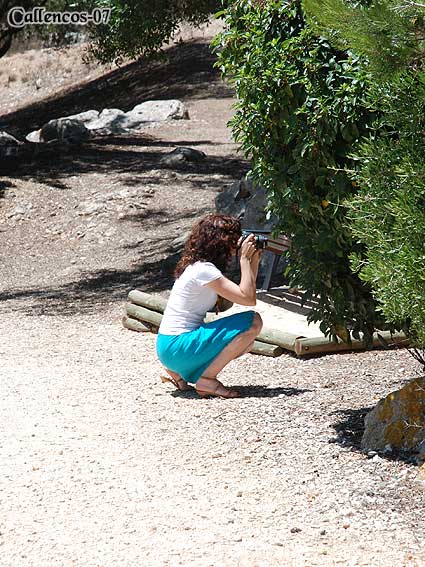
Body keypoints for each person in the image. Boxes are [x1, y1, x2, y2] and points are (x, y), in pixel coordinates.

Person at [156, 213, 263, 399]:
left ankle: (180, 372)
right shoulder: (204, 271)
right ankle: (207, 380)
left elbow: (245, 292)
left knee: (246, 342)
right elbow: (247, 299)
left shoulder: (196, 266)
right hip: (177, 346)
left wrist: (253, 260)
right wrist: (245, 260)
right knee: (253, 322)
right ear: (221, 243)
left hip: (169, 346)